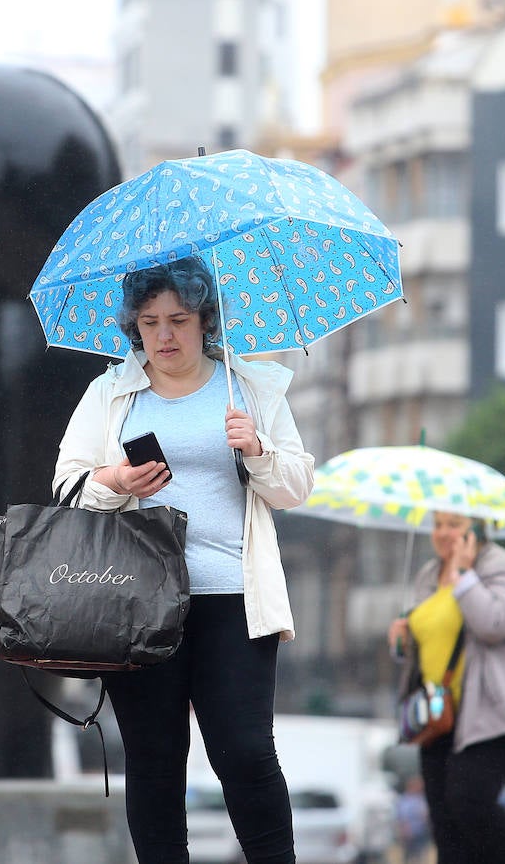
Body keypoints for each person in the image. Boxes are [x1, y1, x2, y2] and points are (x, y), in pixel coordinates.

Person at [53, 254, 315, 864]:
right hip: (136, 603)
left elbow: (297, 487)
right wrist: (116, 478)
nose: (164, 336)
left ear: (205, 319)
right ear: (133, 327)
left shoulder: (249, 386)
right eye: (149, 323)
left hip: (233, 600)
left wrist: (258, 450)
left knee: (246, 752)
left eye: (178, 319)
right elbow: (65, 488)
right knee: (152, 760)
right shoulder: (110, 394)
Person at [386, 512, 505, 864]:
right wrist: (403, 639)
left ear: (476, 529)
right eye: (438, 524)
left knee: (470, 801)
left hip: (496, 709)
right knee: (444, 819)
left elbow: (495, 624)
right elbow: (432, 640)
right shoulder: (429, 573)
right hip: (438, 714)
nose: (443, 533)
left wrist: (463, 575)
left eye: (454, 525)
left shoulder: (499, 566)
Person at [395, 773, 433, 864]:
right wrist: (405, 831)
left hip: (422, 831)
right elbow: (403, 818)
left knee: (421, 855)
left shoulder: (420, 798)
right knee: (410, 856)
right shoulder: (405, 800)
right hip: (411, 832)